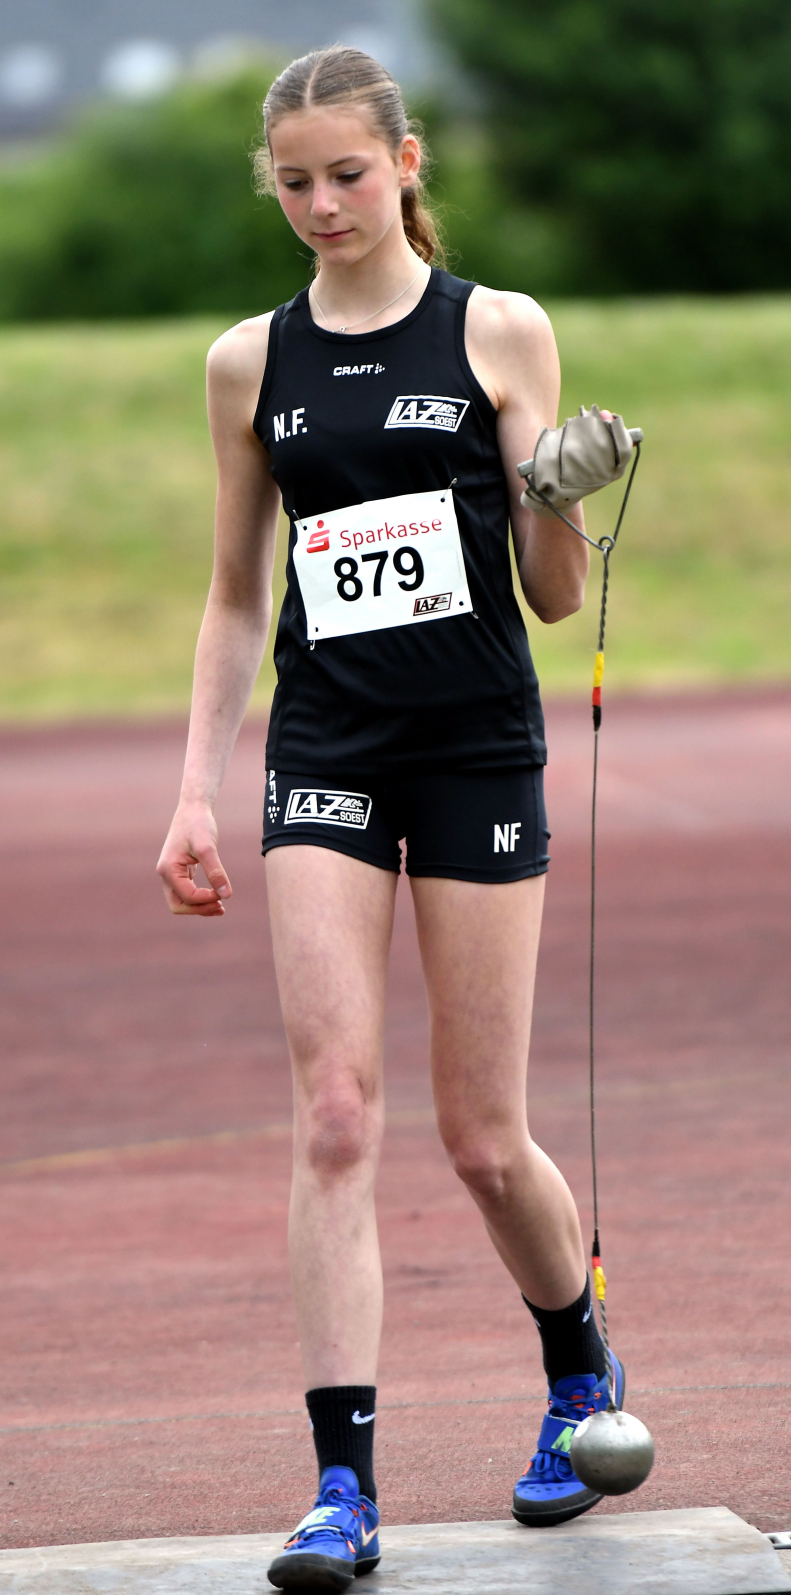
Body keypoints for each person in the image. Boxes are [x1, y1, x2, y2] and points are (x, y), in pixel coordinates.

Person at [157, 45, 624, 1593]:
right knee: (338, 1112)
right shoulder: (248, 362)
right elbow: (240, 594)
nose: (320, 205)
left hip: (480, 743)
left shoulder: (498, 329)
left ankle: (579, 1374)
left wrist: (557, 489)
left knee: (482, 1138)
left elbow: (552, 597)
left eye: (347, 174)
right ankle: (342, 1488)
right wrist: (194, 792)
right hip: (326, 747)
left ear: (407, 163)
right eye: (292, 182)